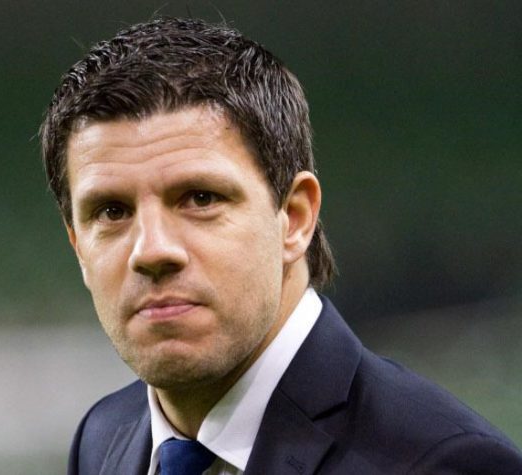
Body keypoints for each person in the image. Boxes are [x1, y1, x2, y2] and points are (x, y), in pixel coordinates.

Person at [40, 17, 522, 475]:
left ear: (294, 218)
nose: (152, 251)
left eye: (200, 198)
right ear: (77, 244)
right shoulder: (102, 438)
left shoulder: (441, 462)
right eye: (112, 211)